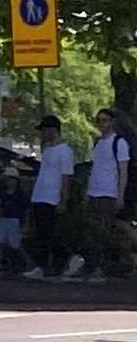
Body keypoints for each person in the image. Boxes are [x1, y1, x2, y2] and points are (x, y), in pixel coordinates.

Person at [25, 115, 75, 281]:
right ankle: (42, 266)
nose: (42, 134)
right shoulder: (47, 150)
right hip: (40, 195)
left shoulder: (65, 151)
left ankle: (68, 257)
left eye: (45, 131)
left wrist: (63, 199)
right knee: (41, 233)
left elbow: (66, 178)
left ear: (53, 131)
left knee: (49, 233)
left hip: (52, 197)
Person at [82, 107, 130, 277]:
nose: (101, 124)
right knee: (91, 230)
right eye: (99, 120)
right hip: (95, 191)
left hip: (108, 192)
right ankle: (93, 264)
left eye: (105, 120)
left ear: (112, 122)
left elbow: (123, 171)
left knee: (104, 231)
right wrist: (87, 191)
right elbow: (93, 169)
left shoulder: (119, 143)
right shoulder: (97, 143)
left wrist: (120, 194)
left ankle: (103, 266)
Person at [0, 168, 29, 276]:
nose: (9, 182)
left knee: (16, 245)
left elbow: (26, 210)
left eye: (12, 179)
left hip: (14, 220)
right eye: (7, 180)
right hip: (3, 219)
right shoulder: (2, 194)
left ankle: (27, 263)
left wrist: (25, 223)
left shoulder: (20, 195)